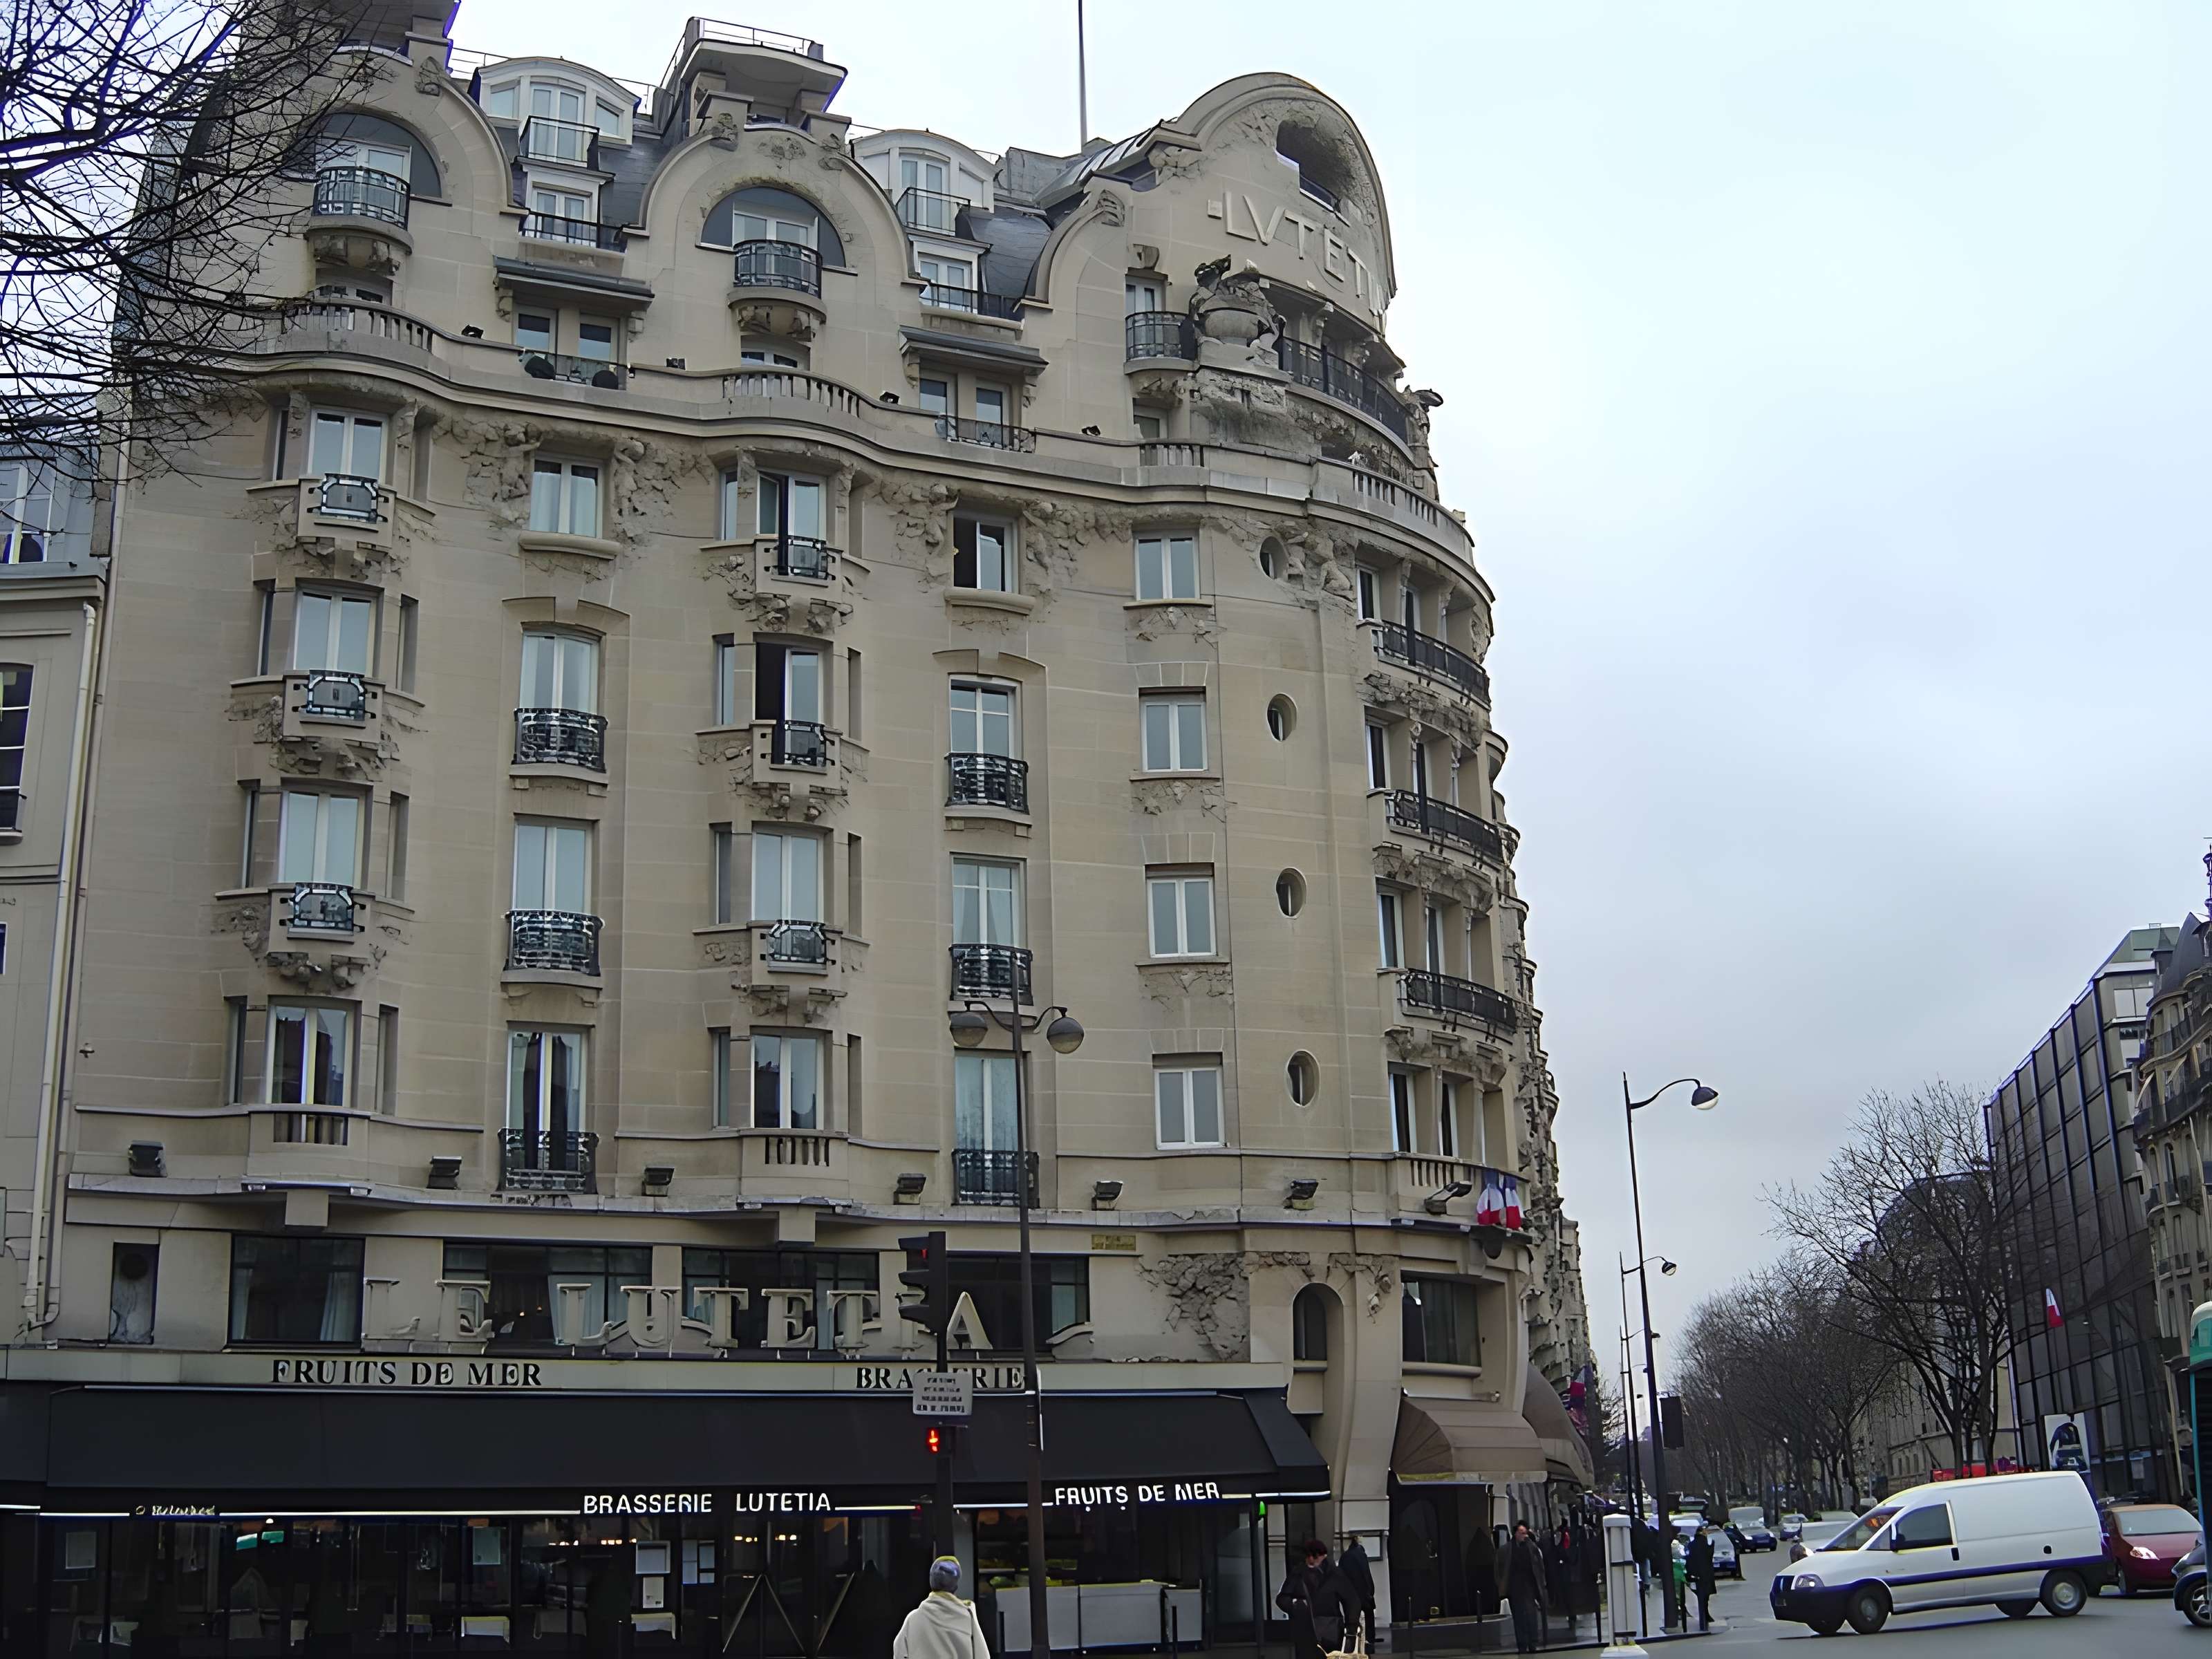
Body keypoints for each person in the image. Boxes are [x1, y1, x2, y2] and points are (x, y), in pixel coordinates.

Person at [892, 1557, 989, 1659]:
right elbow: (983, 1656)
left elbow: (899, 1653)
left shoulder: (913, 1619)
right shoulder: (967, 1618)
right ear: (955, 1587)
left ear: (931, 1583)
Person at [1277, 1539, 1359, 1659]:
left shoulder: (1335, 1574)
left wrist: (1351, 1628)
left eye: (1314, 1556)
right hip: (1306, 1630)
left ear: (1323, 1556)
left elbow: (1352, 1600)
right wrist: (1296, 1605)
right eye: (1308, 1556)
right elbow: (1282, 1599)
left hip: (1329, 1631)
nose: (1310, 1559)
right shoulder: (1298, 1574)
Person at [1501, 1521, 1548, 1655]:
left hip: (1529, 1586)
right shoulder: (1507, 1549)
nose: (1524, 1535)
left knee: (1531, 1615)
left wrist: (1541, 1583)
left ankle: (1532, 1643)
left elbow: (1539, 1566)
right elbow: (1501, 1568)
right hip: (1515, 1587)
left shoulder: (1531, 1547)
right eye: (1522, 1533)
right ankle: (1522, 1644)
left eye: (1525, 1533)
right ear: (1516, 1533)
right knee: (1519, 1617)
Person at [1338, 1536, 1377, 1647]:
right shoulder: (1361, 1554)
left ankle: (1352, 1640)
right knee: (1369, 1615)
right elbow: (1366, 1574)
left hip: (1350, 1593)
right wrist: (1371, 1591)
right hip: (1363, 1592)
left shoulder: (1344, 1556)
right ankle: (1369, 1639)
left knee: (1351, 1619)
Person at [1685, 1528, 1716, 1632]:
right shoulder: (1706, 1544)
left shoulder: (1691, 1544)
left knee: (1700, 1596)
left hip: (1695, 1575)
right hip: (1706, 1574)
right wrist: (1712, 1545)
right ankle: (1704, 1618)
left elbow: (1688, 1558)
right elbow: (1709, 1556)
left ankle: (1704, 1616)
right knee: (1705, 1596)